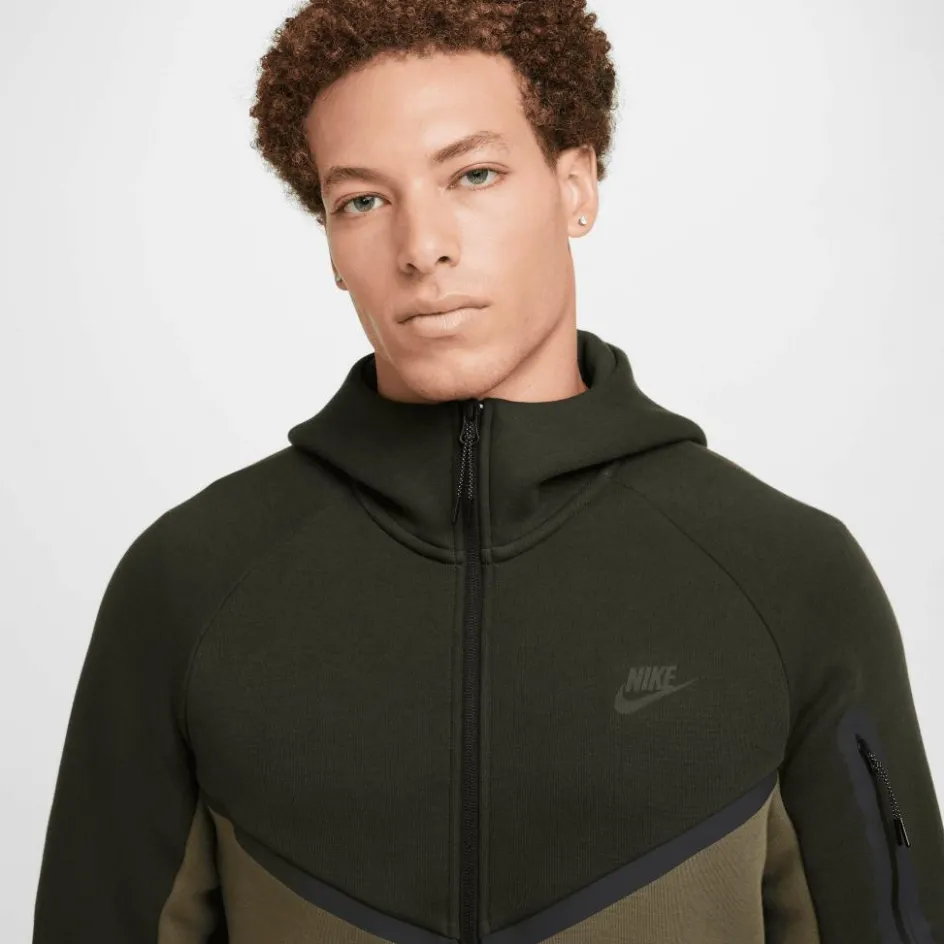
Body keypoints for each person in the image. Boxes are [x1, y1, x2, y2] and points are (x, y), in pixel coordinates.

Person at [32, 0, 943, 942]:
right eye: (362, 200)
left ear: (576, 185)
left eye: (473, 175)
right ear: (332, 245)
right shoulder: (189, 584)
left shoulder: (788, 578)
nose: (421, 247)